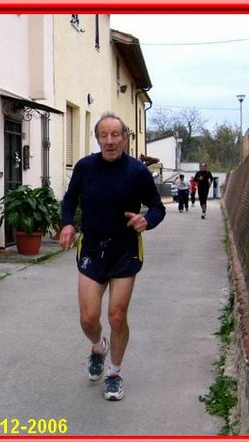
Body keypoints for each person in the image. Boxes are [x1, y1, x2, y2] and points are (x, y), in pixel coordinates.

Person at [59, 112, 166, 401]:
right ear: (97, 139)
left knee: (117, 316)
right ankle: (98, 347)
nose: (109, 141)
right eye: (104, 135)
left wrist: (147, 220)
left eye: (115, 135)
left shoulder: (137, 172)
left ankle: (115, 373)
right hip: (92, 248)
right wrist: (67, 223)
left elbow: (158, 207)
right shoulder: (85, 167)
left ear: (125, 138)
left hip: (125, 249)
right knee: (87, 318)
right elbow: (69, 199)